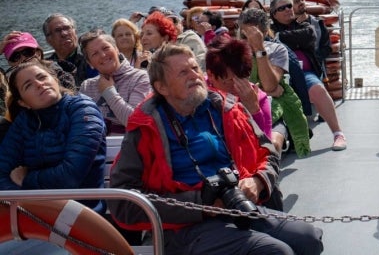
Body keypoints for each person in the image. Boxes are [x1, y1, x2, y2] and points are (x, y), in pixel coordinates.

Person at [108, 44, 323, 255]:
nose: (194, 75)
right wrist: (201, 202)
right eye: (183, 72)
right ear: (162, 87)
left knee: (308, 238)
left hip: (237, 206)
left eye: (195, 68)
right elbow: (124, 202)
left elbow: (267, 152)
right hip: (184, 228)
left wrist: (257, 181)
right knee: (274, 251)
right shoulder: (146, 127)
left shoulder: (225, 108)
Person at [0, 62, 106, 213]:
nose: (39, 84)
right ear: (23, 103)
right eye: (28, 85)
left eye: (42, 77)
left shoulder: (82, 109)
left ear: (55, 80)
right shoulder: (23, 122)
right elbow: (2, 171)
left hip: (82, 213)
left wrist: (26, 179)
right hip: (34, 212)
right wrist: (21, 206)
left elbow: (71, 176)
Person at [270, 0, 347, 151]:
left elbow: (308, 37)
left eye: (289, 6)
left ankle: (338, 134)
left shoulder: (306, 26)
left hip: (305, 73)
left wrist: (281, 37)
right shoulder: (269, 30)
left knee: (318, 89)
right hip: (277, 76)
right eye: (282, 8)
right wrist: (289, 39)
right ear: (274, 14)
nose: (287, 10)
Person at [239, 8, 311, 157]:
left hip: (271, 109)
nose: (248, 40)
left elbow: (270, 85)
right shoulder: (232, 52)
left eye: (254, 35)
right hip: (240, 108)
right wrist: (266, 91)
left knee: (273, 144)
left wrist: (259, 49)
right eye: (245, 35)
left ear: (264, 33)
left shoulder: (277, 50)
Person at [79, 30, 151, 134]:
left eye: (106, 48)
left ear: (116, 49)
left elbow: (135, 121)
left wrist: (109, 93)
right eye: (95, 54)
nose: (103, 55)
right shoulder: (87, 87)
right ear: (90, 63)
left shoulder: (140, 78)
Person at [205, 36, 273, 139]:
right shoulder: (200, 95)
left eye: (242, 79)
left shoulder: (257, 97)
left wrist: (254, 110)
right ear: (211, 75)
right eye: (230, 81)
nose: (237, 87)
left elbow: (266, 146)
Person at [1, 31, 76, 93]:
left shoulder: (60, 74)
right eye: (15, 56)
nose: (23, 58)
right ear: (10, 63)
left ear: (39, 53)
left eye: (28, 52)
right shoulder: (7, 85)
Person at [43, 13, 97, 85]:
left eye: (67, 28)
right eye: (57, 30)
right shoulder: (46, 67)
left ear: (75, 32)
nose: (64, 34)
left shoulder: (91, 57)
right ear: (48, 39)